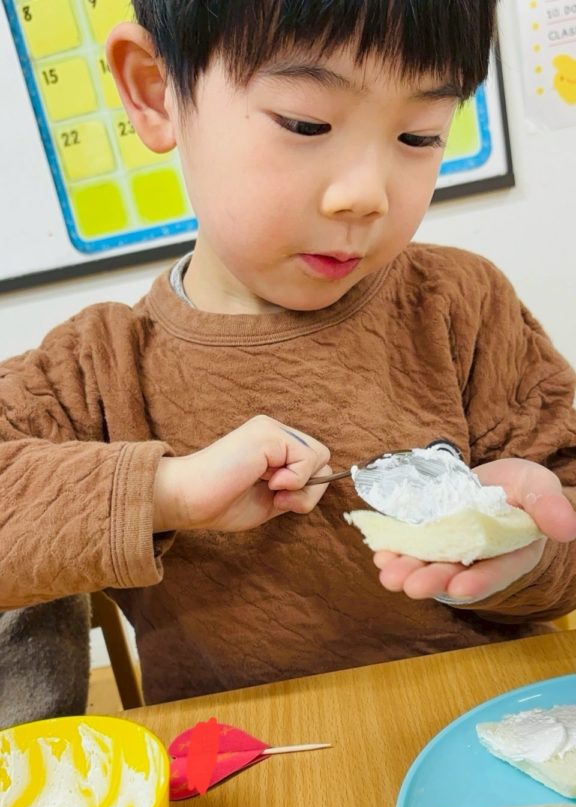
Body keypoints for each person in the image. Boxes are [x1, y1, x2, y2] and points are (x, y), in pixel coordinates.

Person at [2, 0, 576, 710]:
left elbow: (564, 532)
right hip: (253, 758)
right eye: (306, 124)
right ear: (155, 91)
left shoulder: (461, 303)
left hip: (488, 723)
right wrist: (170, 491)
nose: (364, 196)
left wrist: (523, 548)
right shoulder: (100, 369)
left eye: (420, 135)